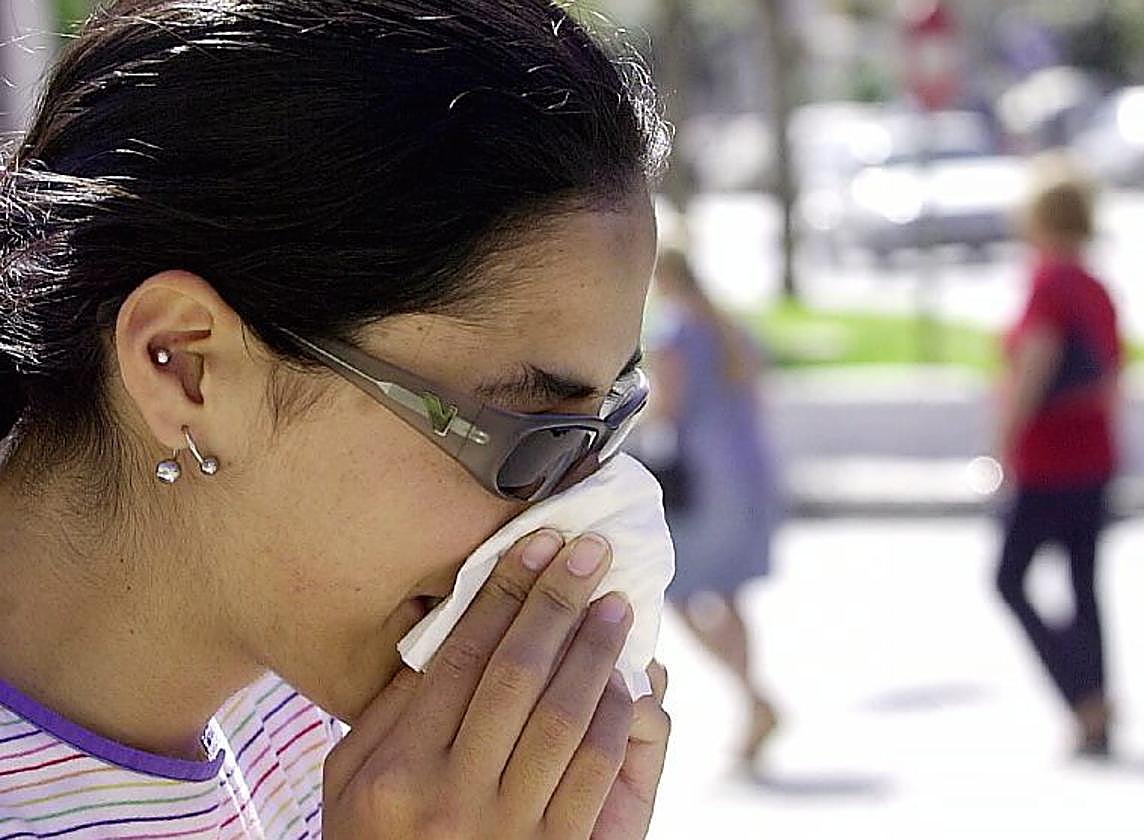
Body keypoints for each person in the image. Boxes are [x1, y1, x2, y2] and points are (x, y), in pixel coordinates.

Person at [0, 1, 673, 836]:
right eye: (531, 435)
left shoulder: (368, 738)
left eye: (606, 428)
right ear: (184, 365)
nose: (582, 519)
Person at [994, 159, 1122, 758]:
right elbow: (1114, 379)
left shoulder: (1048, 285)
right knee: (1083, 584)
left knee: (1009, 578)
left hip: (1048, 458)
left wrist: (1003, 444)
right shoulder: (1096, 288)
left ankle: (1082, 696)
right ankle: (1097, 704)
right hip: (1094, 454)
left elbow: (1032, 371)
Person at [646, 248, 782, 769]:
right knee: (729, 593)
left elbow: (666, 408)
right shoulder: (729, 326)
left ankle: (753, 699)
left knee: (679, 592)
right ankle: (752, 704)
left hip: (704, 478)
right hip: (748, 470)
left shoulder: (674, 331)